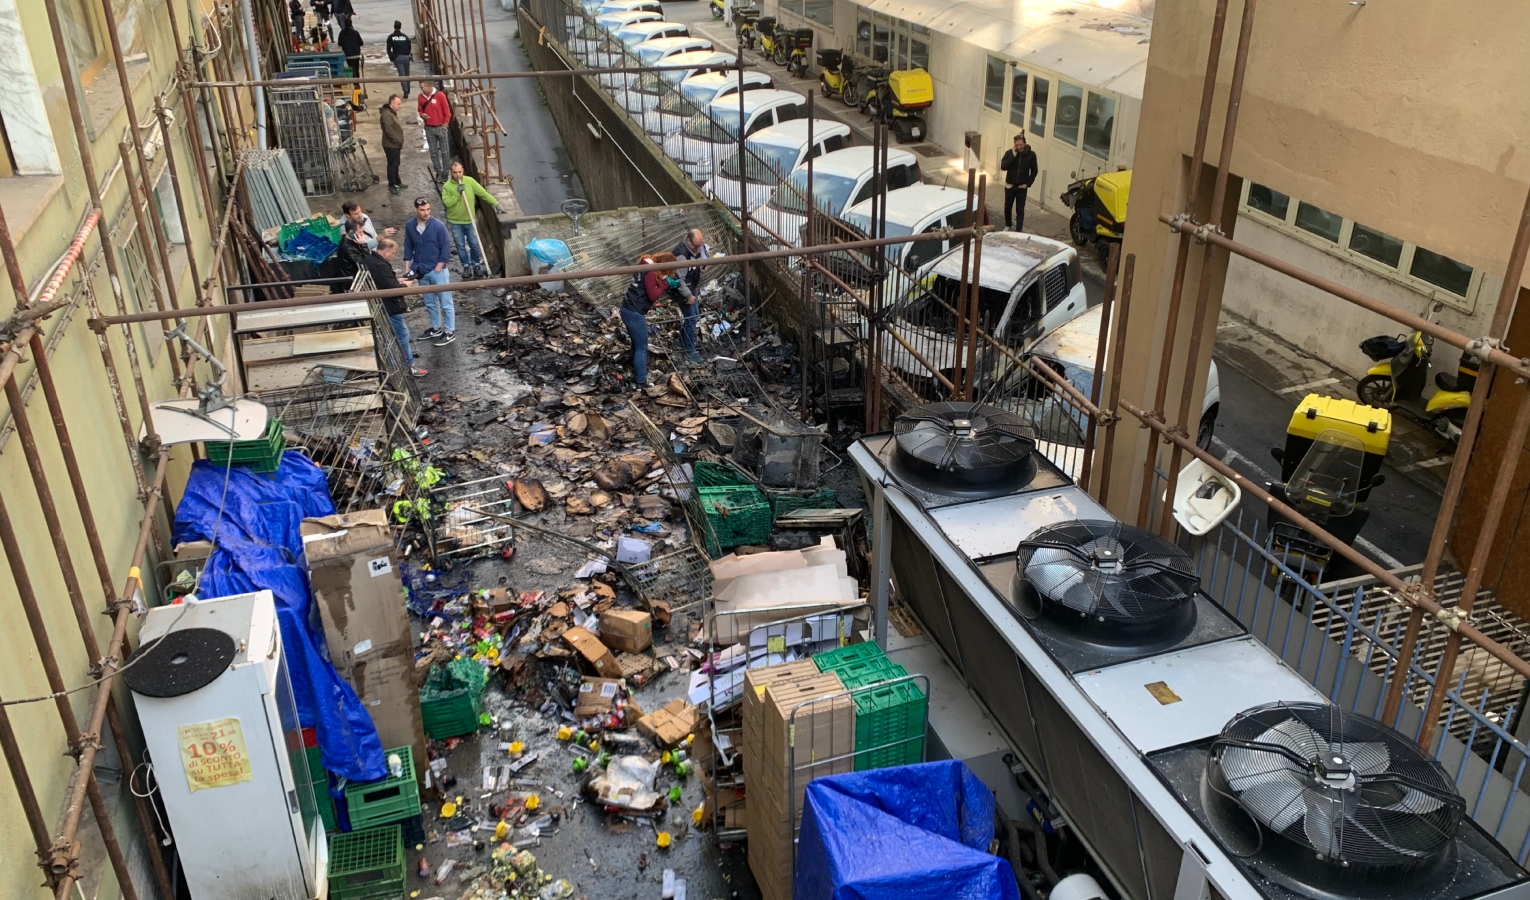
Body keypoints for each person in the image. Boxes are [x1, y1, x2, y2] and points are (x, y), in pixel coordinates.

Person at [362, 238, 427, 377]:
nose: (393, 256)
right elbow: (391, 288)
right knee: (402, 335)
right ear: (385, 252)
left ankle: (393, 365)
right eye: (392, 253)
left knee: (388, 336)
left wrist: (397, 280)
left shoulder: (370, 260)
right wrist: (405, 285)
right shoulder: (381, 265)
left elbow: (384, 281)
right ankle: (408, 366)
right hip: (390, 305)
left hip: (380, 303)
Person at [620, 252, 680, 388]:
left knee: (636, 343)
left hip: (628, 308)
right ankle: (641, 382)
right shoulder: (651, 273)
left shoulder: (644, 266)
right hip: (634, 311)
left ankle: (638, 372)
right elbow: (653, 295)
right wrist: (665, 283)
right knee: (642, 346)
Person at [402, 197, 456, 346]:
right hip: (421, 270)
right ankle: (436, 327)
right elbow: (408, 247)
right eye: (422, 210)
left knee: (445, 302)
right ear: (416, 210)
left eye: (428, 210)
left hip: (437, 270)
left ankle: (450, 331)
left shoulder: (438, 226)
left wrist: (438, 268)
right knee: (430, 302)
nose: (425, 213)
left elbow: (445, 248)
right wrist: (408, 270)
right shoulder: (410, 226)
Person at [440, 162, 499, 279]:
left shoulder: (469, 181)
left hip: (469, 220)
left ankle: (476, 264)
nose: (458, 175)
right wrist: (457, 193)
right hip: (455, 222)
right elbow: (447, 203)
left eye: (460, 172)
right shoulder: (447, 186)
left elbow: (483, 193)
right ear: (451, 173)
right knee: (460, 245)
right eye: (455, 172)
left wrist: (496, 203)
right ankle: (466, 266)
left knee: (474, 244)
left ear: (463, 171)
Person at [671, 228, 709, 364]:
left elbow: (702, 255)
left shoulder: (695, 248)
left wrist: (701, 266)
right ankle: (690, 351)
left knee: (694, 316)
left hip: (692, 285)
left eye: (700, 246)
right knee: (692, 318)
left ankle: (682, 342)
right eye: (696, 246)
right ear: (688, 241)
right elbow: (678, 280)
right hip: (683, 290)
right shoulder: (681, 256)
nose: (699, 249)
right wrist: (688, 296)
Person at [999, 134, 1038, 232]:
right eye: (1017, 145)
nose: (1019, 147)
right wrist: (1013, 156)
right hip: (1010, 185)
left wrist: (1027, 184)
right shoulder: (1009, 153)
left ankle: (1018, 230)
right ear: (1014, 145)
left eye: (1021, 145)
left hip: (1022, 187)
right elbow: (1003, 166)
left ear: (1024, 143)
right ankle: (1008, 224)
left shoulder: (1031, 155)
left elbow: (1034, 171)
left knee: (1020, 210)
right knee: (1008, 207)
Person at [418, 82, 452, 179]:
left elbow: (447, 112)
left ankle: (445, 173)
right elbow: (420, 109)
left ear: (430, 86)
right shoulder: (420, 97)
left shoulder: (440, 95)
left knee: (445, 151)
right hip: (429, 128)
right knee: (433, 152)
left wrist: (444, 126)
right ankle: (438, 171)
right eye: (421, 88)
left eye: (424, 88)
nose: (423, 90)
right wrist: (422, 115)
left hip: (440, 127)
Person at [380, 95, 406, 194]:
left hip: (395, 144)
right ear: (392, 103)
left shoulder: (391, 113)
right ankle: (391, 185)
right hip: (391, 145)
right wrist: (397, 140)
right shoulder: (386, 115)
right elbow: (389, 130)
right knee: (392, 165)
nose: (400, 106)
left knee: (396, 164)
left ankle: (397, 182)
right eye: (398, 104)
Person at [386, 21, 413, 97]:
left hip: (398, 57)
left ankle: (405, 91)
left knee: (402, 75)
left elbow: (388, 49)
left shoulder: (391, 37)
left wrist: (392, 57)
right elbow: (409, 46)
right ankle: (408, 88)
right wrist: (407, 53)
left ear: (394, 26)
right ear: (400, 27)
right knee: (407, 74)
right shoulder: (405, 36)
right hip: (406, 57)